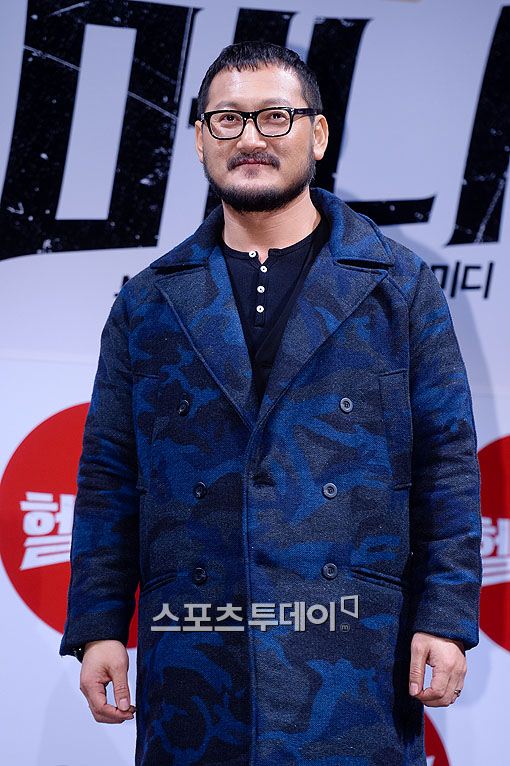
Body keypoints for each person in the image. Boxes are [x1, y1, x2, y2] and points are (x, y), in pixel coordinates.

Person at [60, 41, 482, 765]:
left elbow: (447, 464)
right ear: (200, 139)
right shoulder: (149, 301)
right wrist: (98, 627)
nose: (250, 137)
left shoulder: (398, 287)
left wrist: (445, 616)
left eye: (275, 116)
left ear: (317, 135)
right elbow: (109, 476)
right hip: (196, 654)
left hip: (353, 654)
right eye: (227, 119)